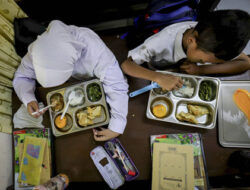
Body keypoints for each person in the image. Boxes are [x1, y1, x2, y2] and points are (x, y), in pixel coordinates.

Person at [13, 20, 129, 141]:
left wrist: (117, 126)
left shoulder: (96, 51)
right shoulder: (38, 52)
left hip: (93, 81)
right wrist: (28, 99)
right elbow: (22, 76)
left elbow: (117, 86)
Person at [121, 10, 250, 90]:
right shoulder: (161, 42)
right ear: (191, 41)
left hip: (175, 72)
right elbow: (127, 65)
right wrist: (158, 77)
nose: (203, 62)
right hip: (152, 69)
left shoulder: (214, 42)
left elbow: (246, 62)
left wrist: (201, 69)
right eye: (201, 60)